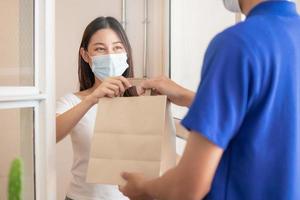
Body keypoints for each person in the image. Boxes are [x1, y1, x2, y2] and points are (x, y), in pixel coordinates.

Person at [119, 0, 300, 199]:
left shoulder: (237, 44)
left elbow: (188, 188)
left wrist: (144, 188)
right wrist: (189, 97)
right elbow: (269, 116)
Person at [56, 16, 134, 200]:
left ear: (126, 53)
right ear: (85, 55)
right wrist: (92, 99)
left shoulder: (141, 101)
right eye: (100, 49)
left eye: (117, 47)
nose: (110, 55)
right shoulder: (73, 101)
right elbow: (45, 136)